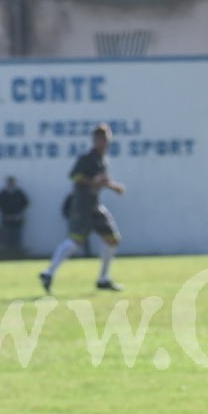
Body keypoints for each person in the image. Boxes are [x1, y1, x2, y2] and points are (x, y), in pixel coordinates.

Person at [39, 124, 126, 294]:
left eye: (107, 139)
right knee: (75, 241)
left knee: (113, 240)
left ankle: (103, 279)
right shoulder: (87, 158)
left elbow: (101, 181)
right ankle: (48, 273)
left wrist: (114, 187)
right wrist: (93, 181)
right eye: (101, 139)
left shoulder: (103, 159)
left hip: (95, 205)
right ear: (95, 140)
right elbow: (75, 176)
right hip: (82, 205)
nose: (105, 142)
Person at [0, 176, 30, 252]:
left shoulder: (19, 193)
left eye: (12, 182)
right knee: (6, 235)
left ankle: (17, 252)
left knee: (17, 235)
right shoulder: (2, 193)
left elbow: (26, 203)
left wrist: (19, 212)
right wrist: (5, 213)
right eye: (9, 182)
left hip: (17, 218)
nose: (11, 184)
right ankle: (7, 252)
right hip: (6, 218)